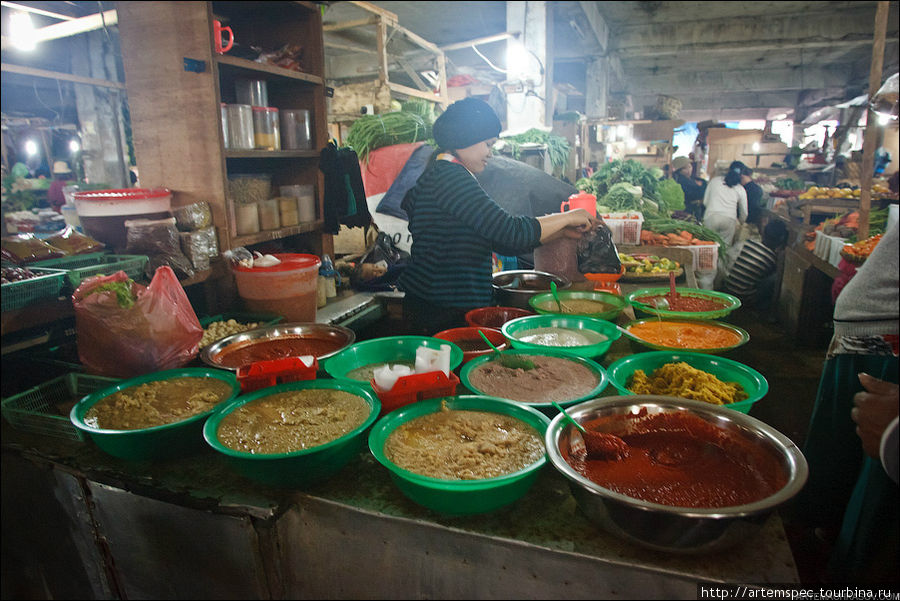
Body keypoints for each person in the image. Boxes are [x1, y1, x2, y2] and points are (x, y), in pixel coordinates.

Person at [398, 97, 593, 335]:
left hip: (439, 306)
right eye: (488, 144)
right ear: (464, 139)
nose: (491, 153)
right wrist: (567, 217)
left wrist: (561, 232)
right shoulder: (450, 178)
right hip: (440, 311)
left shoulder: (448, 173)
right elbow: (509, 231)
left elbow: (499, 240)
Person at [789, 221, 899, 583]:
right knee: (839, 469)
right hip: (867, 344)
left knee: (876, 517)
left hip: (886, 354)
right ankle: (825, 536)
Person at [720, 218, 788, 311]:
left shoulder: (748, 243)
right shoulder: (771, 258)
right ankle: (764, 311)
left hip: (727, 290)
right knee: (775, 277)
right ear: (781, 240)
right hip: (743, 299)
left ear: (763, 232)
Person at [701, 160, 748, 246]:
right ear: (742, 175)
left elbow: (705, 202)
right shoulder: (741, 189)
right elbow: (744, 212)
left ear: (729, 170)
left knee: (708, 247)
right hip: (729, 220)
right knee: (723, 249)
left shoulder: (714, 181)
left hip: (711, 217)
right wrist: (741, 221)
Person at [671, 156, 705, 221]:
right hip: (687, 212)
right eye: (685, 168)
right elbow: (695, 195)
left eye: (690, 167)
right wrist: (702, 186)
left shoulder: (690, 178)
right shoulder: (680, 181)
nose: (689, 170)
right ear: (679, 171)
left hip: (693, 210)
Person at [741, 165, 765, 235]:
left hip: (745, 222)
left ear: (742, 176)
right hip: (754, 221)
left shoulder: (743, 189)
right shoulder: (758, 189)